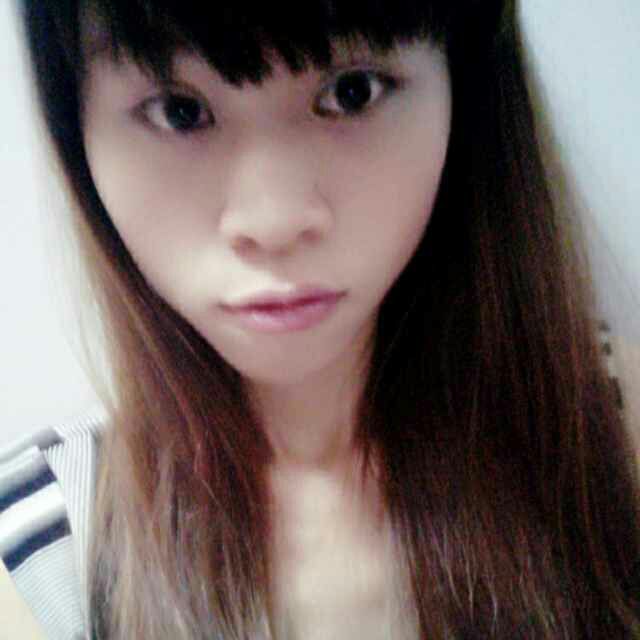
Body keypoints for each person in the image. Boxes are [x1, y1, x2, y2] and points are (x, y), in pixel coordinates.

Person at [1, 0, 639, 638]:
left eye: (353, 92)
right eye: (179, 111)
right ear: (77, 130)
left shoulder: (615, 428)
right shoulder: (37, 556)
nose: (273, 220)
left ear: (463, 89)